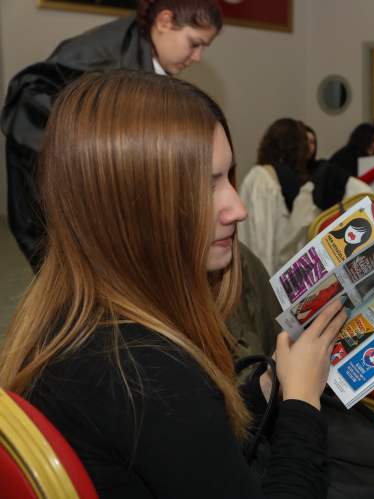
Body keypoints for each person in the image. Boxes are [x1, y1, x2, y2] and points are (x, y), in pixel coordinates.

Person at [0, 69, 348, 498]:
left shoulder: (71, 320)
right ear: (134, 209)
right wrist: (302, 404)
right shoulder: (149, 373)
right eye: (206, 186)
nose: (237, 208)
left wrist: (267, 389)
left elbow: (191, 448)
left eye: (228, 177)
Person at [1, 0, 222, 271]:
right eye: (194, 43)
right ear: (164, 21)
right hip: (44, 182)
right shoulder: (107, 60)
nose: (197, 57)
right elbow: (27, 99)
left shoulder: (140, 44)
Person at [238, 118, 309, 274]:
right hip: (273, 270)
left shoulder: (254, 176)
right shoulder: (282, 178)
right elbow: (264, 242)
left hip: (248, 266)